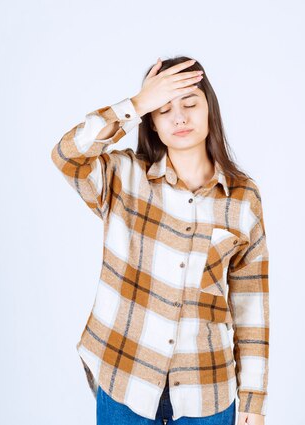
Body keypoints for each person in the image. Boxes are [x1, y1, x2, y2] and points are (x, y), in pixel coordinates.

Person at [51, 56, 270, 425]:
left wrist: (253, 399)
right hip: (125, 382)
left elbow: (251, 303)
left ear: (209, 111)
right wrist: (135, 104)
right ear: (151, 122)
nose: (180, 117)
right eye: (164, 108)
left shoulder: (242, 198)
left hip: (206, 393)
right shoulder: (123, 178)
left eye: (190, 104)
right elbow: (67, 155)